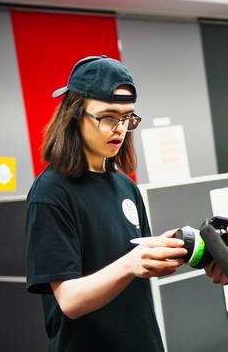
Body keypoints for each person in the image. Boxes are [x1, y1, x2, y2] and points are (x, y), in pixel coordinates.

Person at [25, 56, 187, 351]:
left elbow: (134, 269)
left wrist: (162, 254)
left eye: (127, 118)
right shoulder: (50, 194)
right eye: (108, 117)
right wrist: (132, 263)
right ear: (75, 116)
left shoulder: (125, 185)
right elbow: (70, 300)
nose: (120, 128)